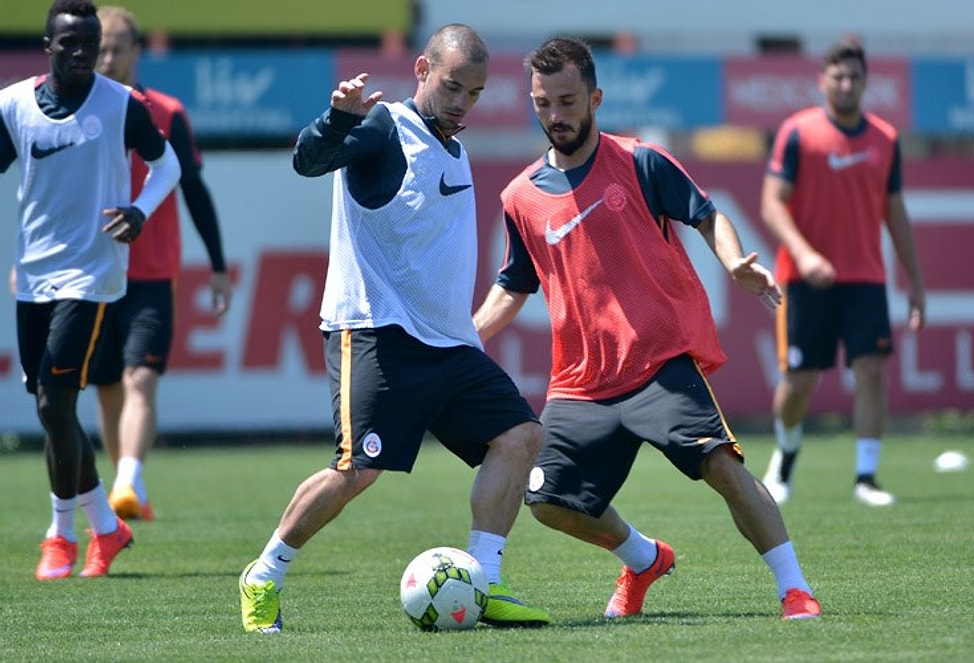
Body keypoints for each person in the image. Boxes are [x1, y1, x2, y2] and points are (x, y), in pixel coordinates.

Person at [472, 37, 821, 621]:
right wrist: (468, 332)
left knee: (722, 467)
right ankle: (642, 559)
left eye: (566, 100)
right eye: (542, 103)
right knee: (548, 500)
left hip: (659, 361)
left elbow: (708, 216)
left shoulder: (640, 161)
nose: (555, 115)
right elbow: (514, 285)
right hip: (581, 381)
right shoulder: (519, 198)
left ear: (595, 98)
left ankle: (795, 588)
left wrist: (734, 262)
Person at [238, 23, 550, 634]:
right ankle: (264, 575)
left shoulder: (453, 147)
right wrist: (336, 120)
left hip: (448, 344)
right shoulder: (384, 127)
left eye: (475, 93)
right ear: (421, 71)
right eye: (453, 85)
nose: (462, 102)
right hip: (377, 331)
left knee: (519, 437)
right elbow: (309, 160)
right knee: (357, 469)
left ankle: (484, 582)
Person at [0, 0, 180, 579]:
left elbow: (168, 166)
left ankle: (60, 534)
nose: (82, 54)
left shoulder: (121, 104)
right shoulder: (12, 106)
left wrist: (140, 209)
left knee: (55, 402)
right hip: (33, 276)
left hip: (94, 273)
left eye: (90, 43)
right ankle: (105, 525)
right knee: (50, 409)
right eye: (69, 44)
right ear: (48, 46)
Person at [759, 40, 925, 507]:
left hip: (866, 279)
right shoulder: (798, 133)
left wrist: (915, 281)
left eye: (854, 77)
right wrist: (805, 254)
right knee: (799, 381)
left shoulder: (885, 139)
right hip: (804, 279)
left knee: (871, 372)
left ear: (866, 82)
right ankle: (786, 457)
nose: (847, 84)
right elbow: (772, 205)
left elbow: (896, 214)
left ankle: (866, 478)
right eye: (839, 76)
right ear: (823, 81)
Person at [89, 5, 232, 522]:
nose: (106, 58)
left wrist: (217, 265)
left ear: (136, 51)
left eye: (116, 48)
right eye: (99, 48)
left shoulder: (166, 112)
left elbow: (193, 188)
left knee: (140, 380)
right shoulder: (77, 110)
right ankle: (128, 486)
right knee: (106, 389)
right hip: (90, 273)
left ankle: (129, 478)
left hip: (151, 275)